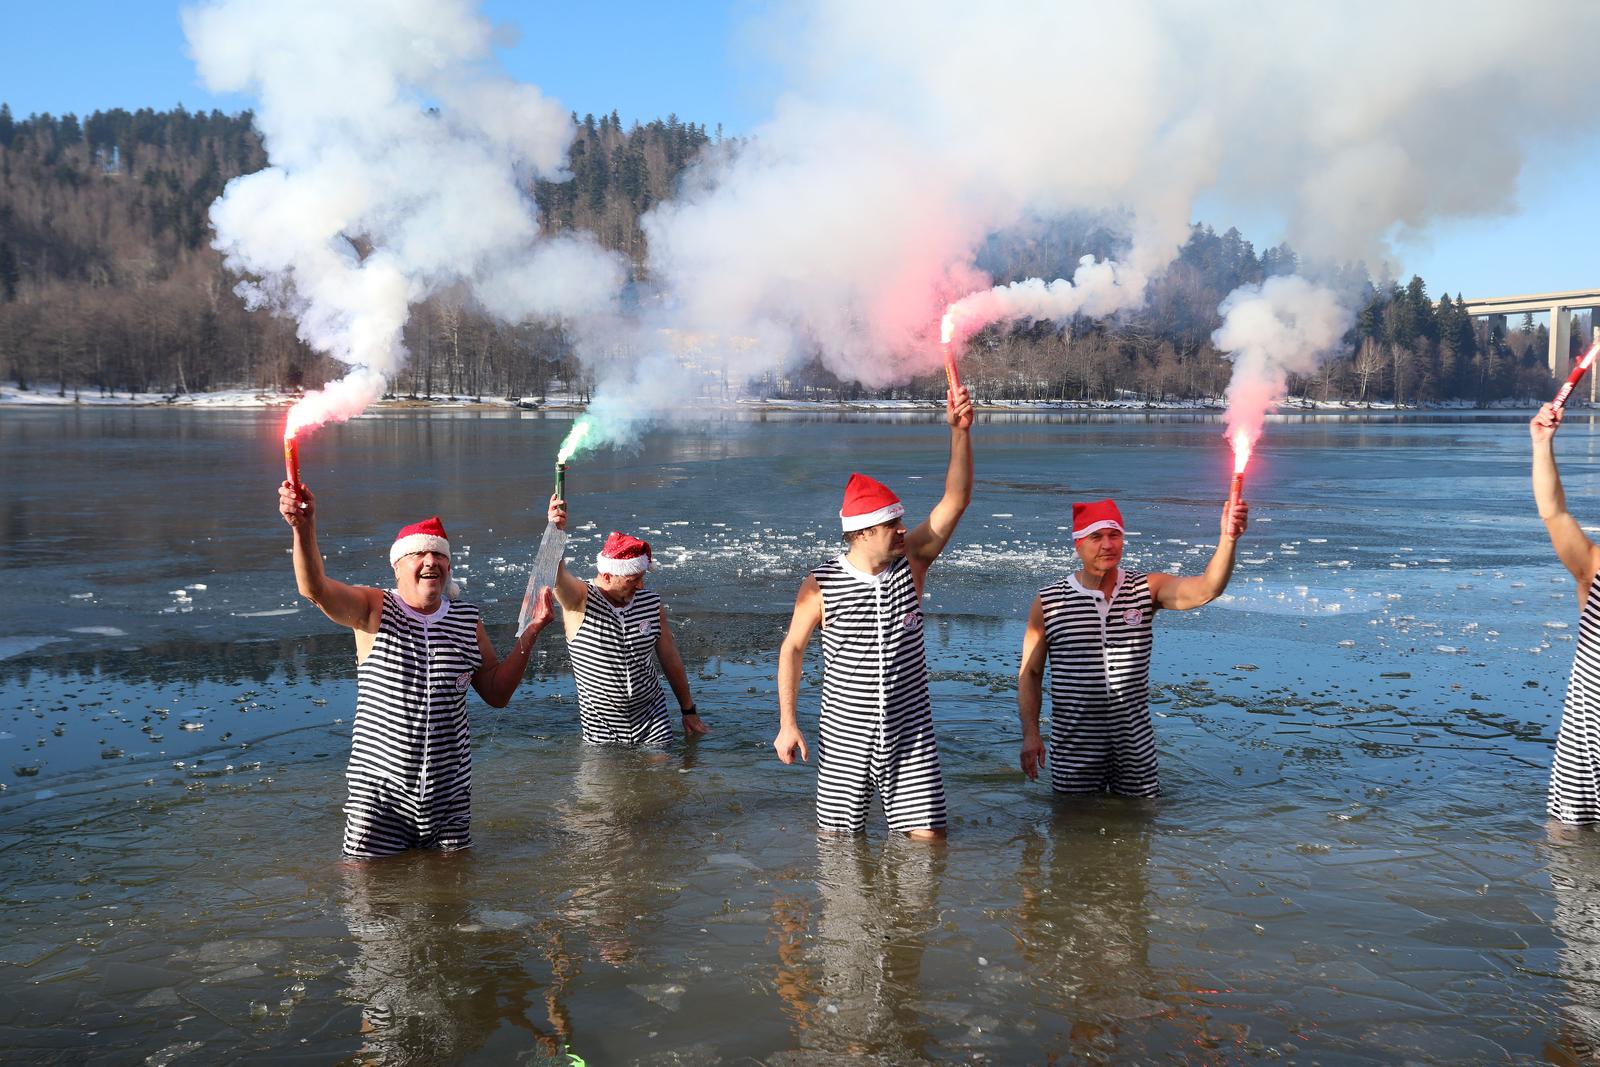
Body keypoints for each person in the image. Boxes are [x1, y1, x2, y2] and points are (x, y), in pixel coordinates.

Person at [278, 482, 555, 858]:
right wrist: (303, 529)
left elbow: (496, 693)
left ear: (448, 567)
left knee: (453, 897)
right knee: (369, 897)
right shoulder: (373, 609)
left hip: (449, 793)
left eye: (438, 556)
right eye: (419, 554)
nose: (430, 562)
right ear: (398, 567)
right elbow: (315, 589)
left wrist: (531, 631)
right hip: (380, 794)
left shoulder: (466, 619)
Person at [774, 385, 975, 840]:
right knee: (841, 853)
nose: (903, 529)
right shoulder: (820, 584)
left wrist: (960, 433)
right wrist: (788, 723)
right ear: (862, 533)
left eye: (901, 521)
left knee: (928, 848)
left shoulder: (913, 563)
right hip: (846, 738)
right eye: (891, 525)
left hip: (911, 733)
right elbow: (792, 648)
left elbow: (956, 500)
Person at [1017, 495, 1247, 797]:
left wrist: (1228, 539)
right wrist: (1031, 734)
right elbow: (1030, 673)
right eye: (1096, 537)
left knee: (1140, 825)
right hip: (1075, 744)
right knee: (1072, 827)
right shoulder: (1049, 601)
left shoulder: (1145, 589)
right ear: (1078, 545)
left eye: (1114, 535)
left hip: (1134, 744)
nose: (1107, 545)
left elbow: (1207, 589)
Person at [546, 495, 706, 746]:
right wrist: (555, 533)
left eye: (642, 578)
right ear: (608, 576)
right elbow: (556, 577)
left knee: (663, 776)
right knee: (603, 786)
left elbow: (670, 658)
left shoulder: (650, 603)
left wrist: (688, 710)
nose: (641, 585)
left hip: (652, 717)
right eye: (633, 580)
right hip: (601, 726)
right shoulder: (580, 600)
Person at [1531, 402, 1600, 824]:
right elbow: (1554, 513)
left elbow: (1554, 513)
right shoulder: (1594, 572)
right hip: (1580, 796)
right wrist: (1542, 445)